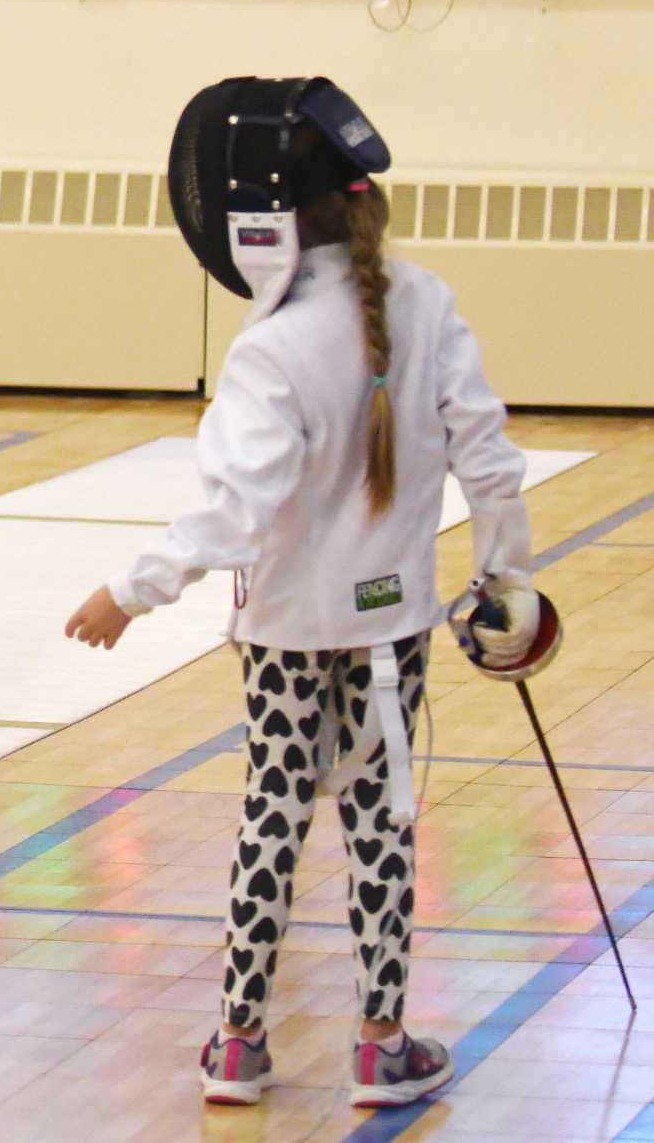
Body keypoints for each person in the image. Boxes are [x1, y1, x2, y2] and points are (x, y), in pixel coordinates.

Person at [65, 76, 541, 1110]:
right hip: (391, 633)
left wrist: (128, 589)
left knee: (270, 816)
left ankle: (236, 1045)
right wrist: (506, 581)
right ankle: (380, 1046)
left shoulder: (268, 346)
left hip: (283, 634)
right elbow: (490, 463)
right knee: (380, 822)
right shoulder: (421, 301)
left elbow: (236, 513)